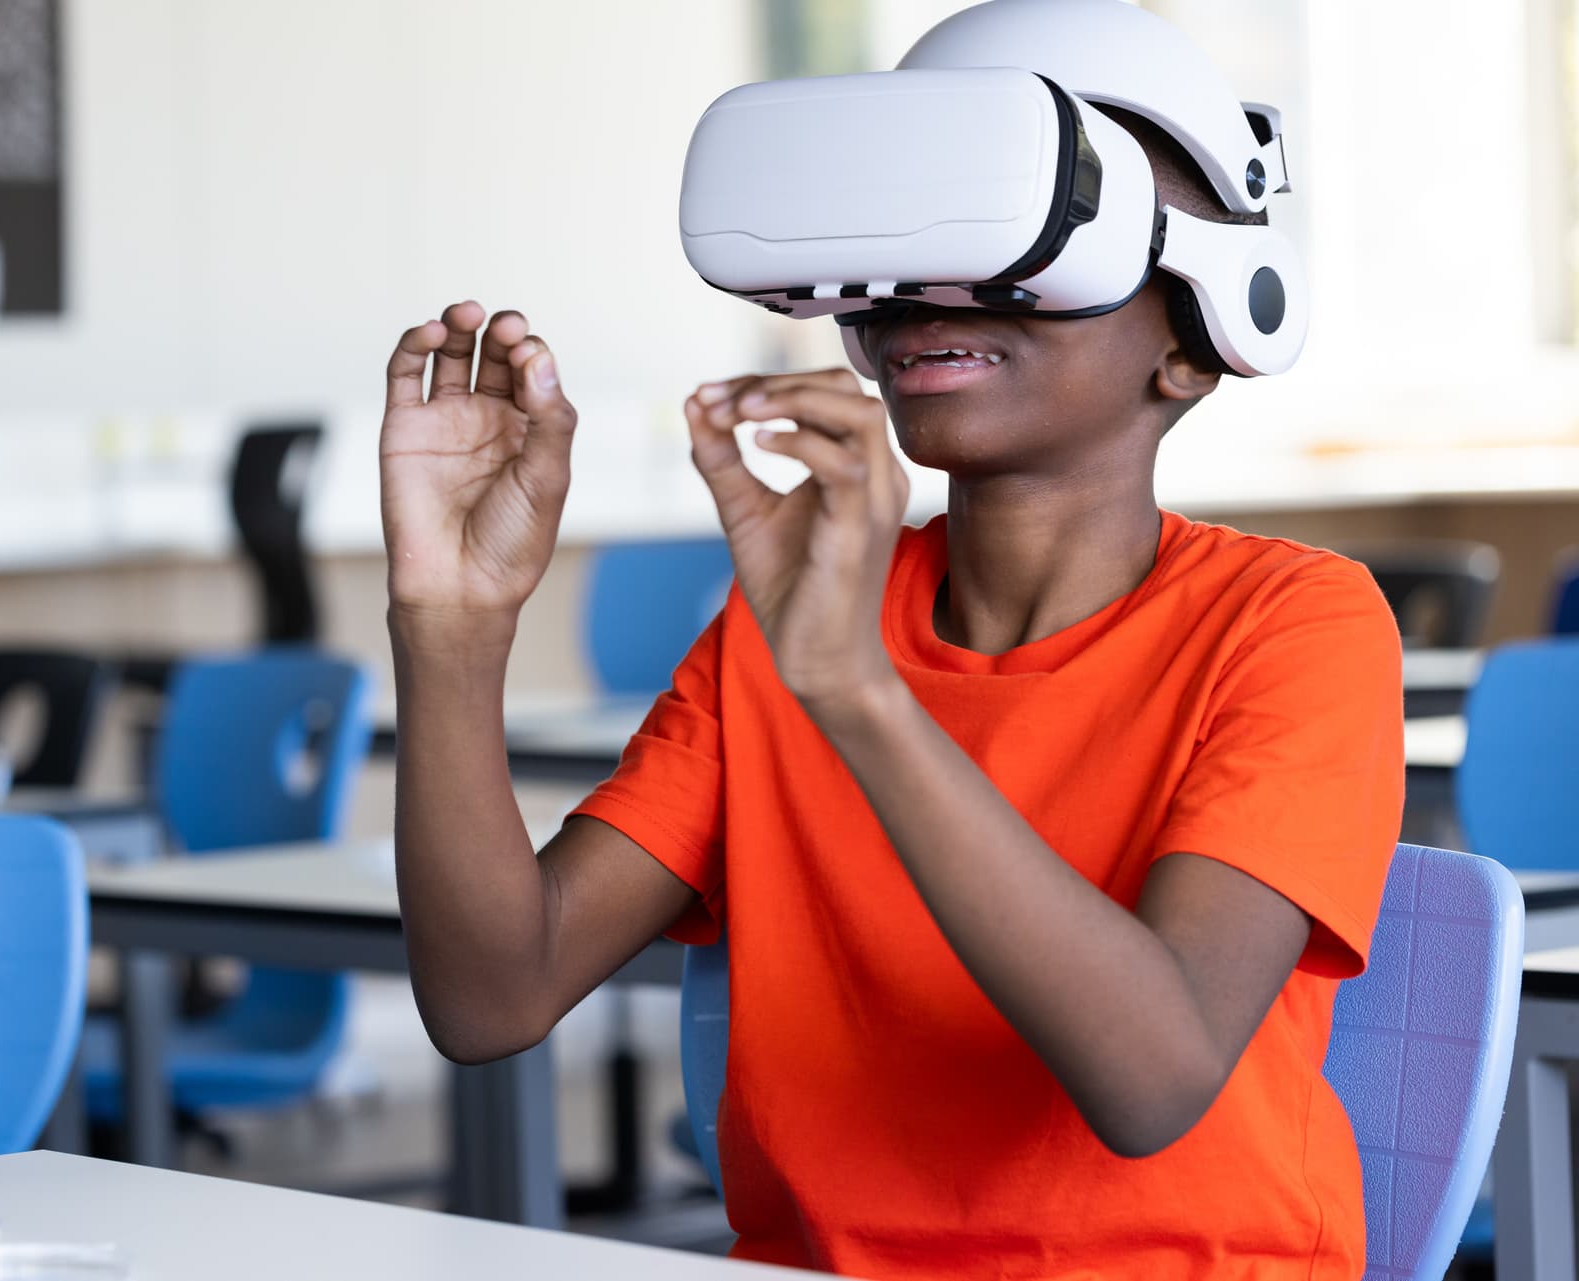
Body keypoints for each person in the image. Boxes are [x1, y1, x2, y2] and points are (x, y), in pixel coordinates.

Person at [379, 6, 1403, 1278]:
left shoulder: (1293, 623)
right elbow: (491, 1000)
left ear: (1197, 342)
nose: (935, 297)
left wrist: (858, 697)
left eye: (1023, 243)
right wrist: (451, 628)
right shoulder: (793, 621)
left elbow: (1157, 1079)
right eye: (910, 252)